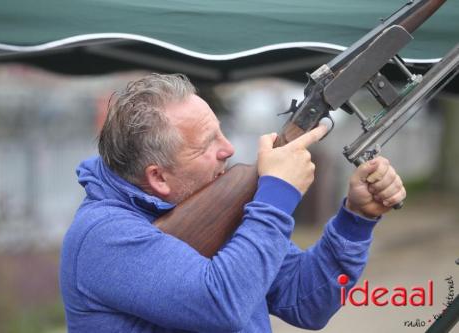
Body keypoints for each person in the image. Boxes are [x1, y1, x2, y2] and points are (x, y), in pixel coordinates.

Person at [60, 73, 406, 332]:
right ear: (158, 178)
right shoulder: (102, 236)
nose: (228, 149)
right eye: (208, 144)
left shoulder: (217, 207)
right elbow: (220, 303)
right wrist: (276, 197)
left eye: (220, 132)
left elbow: (307, 302)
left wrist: (355, 218)